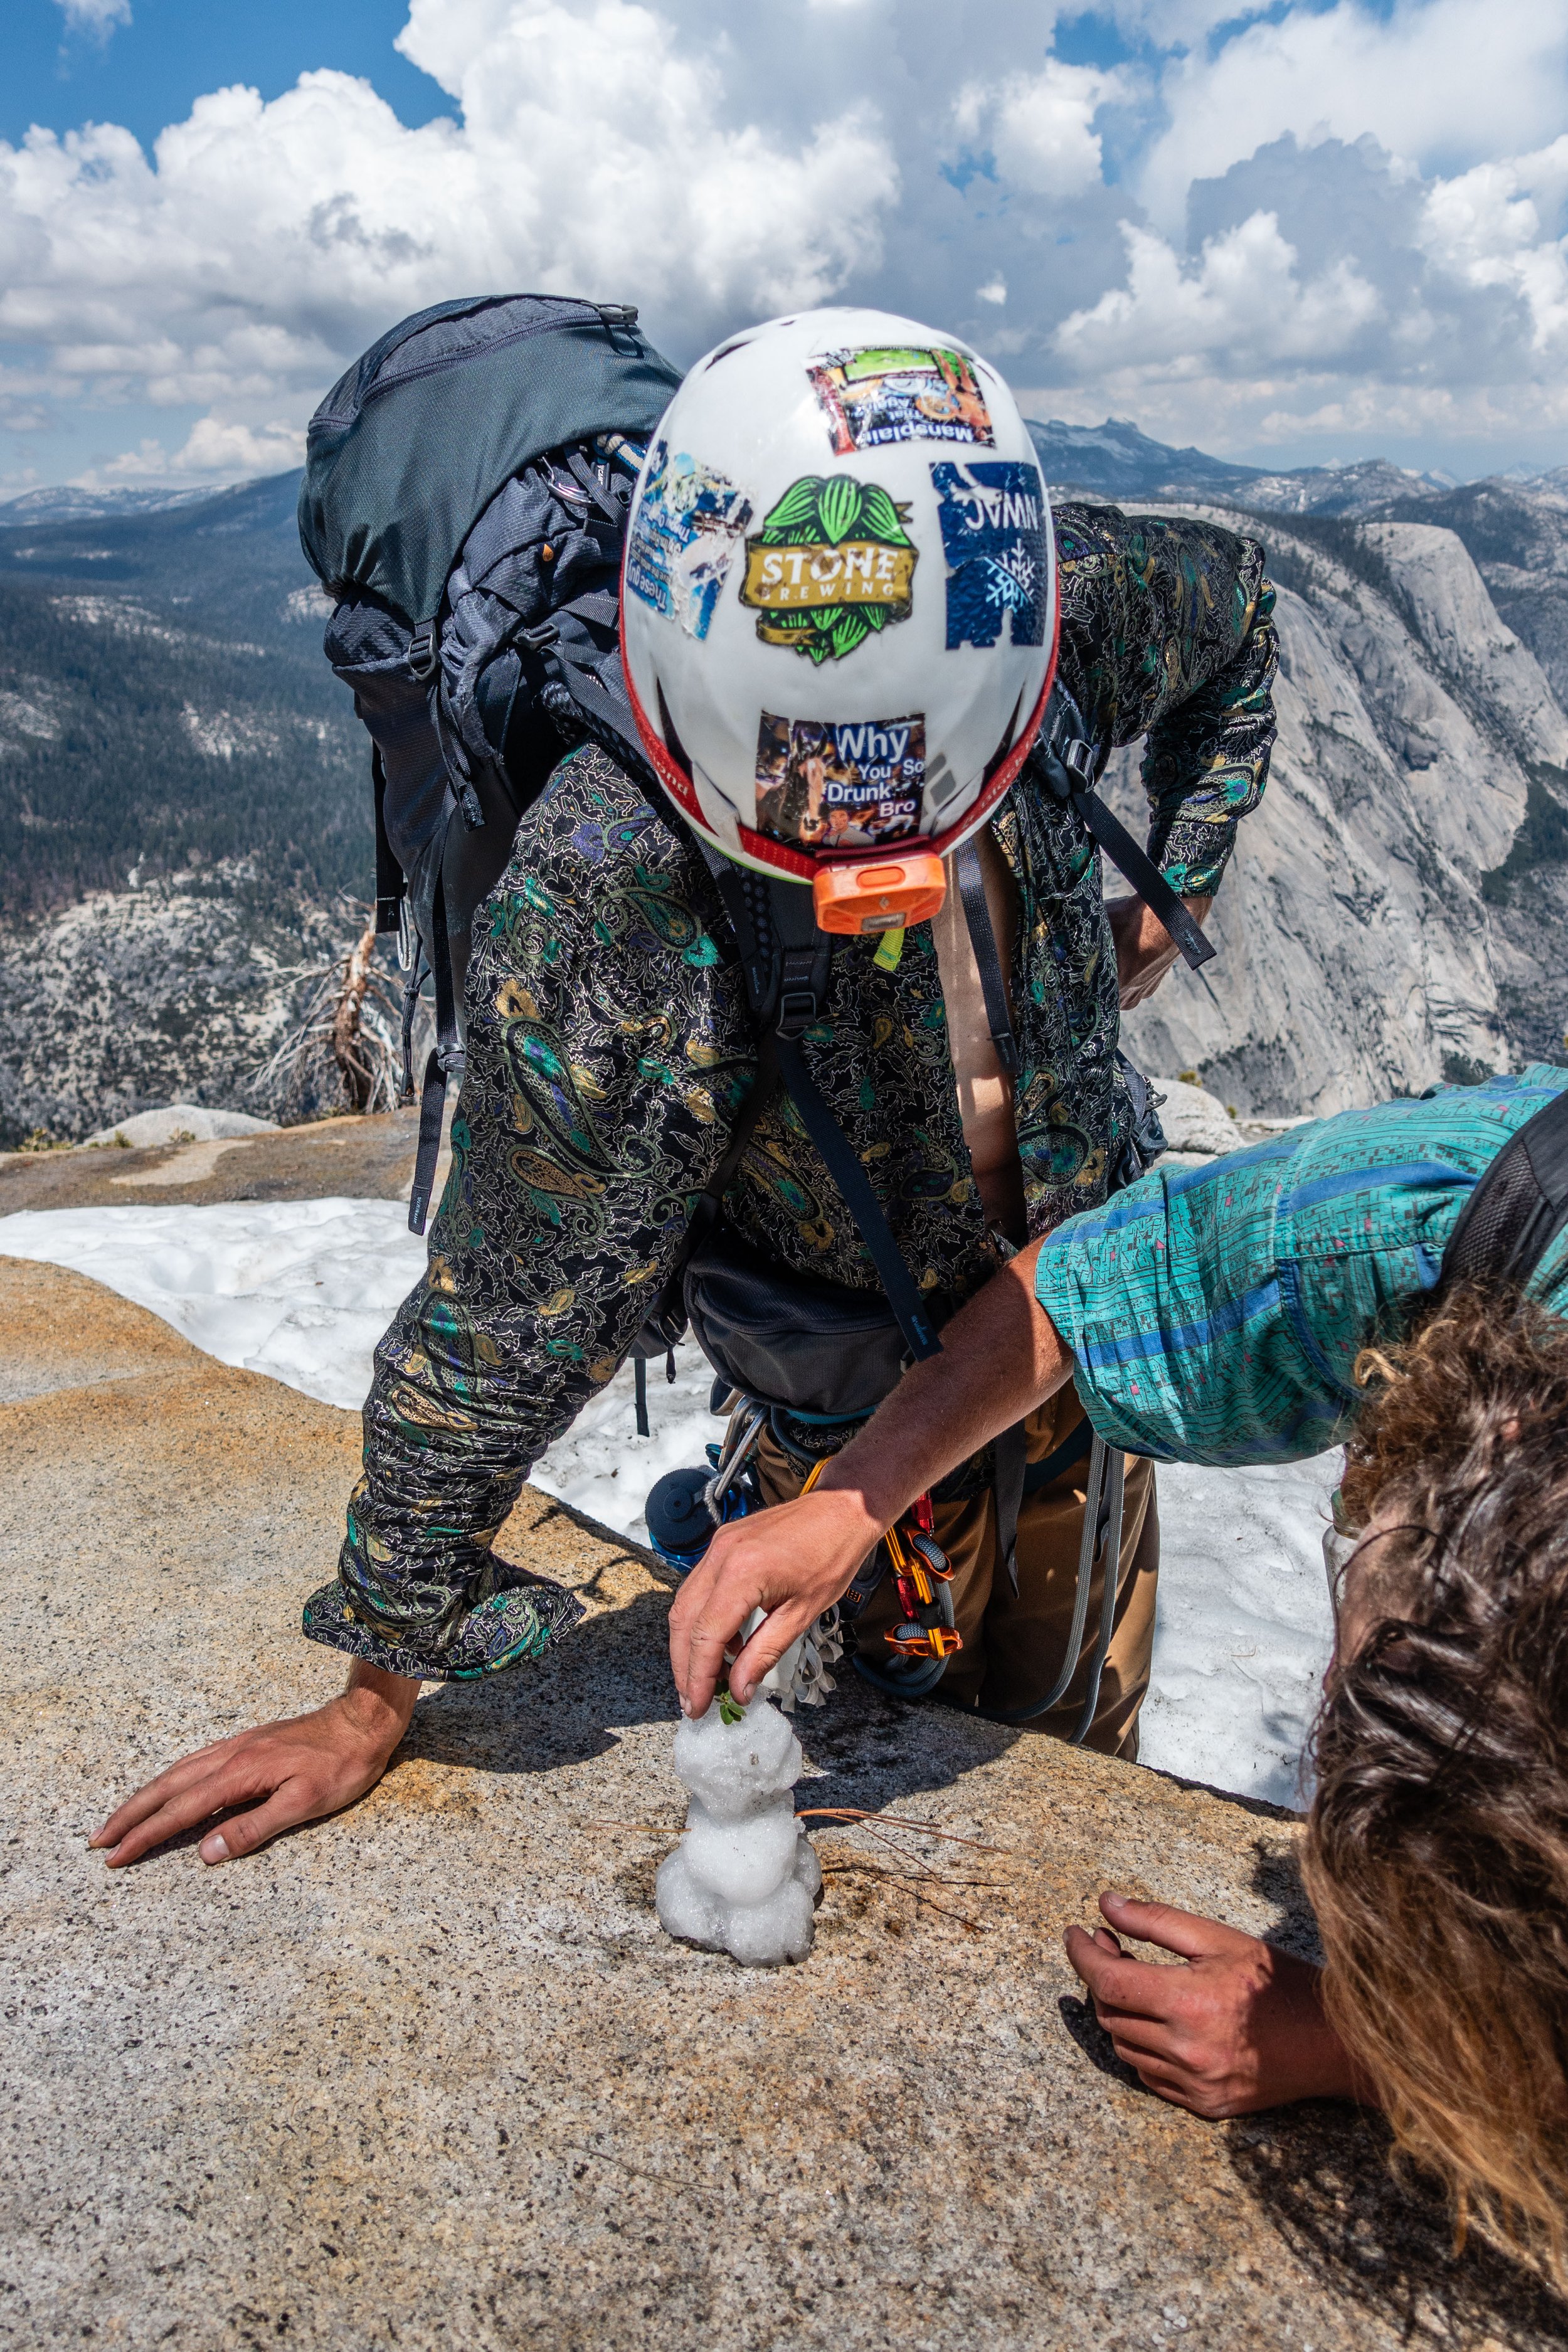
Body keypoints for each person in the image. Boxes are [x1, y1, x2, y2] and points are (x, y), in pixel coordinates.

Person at [91, 304, 1276, 1870]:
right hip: (842, 1398)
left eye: (921, 788)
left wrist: (1173, 887)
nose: (871, 851)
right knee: (913, 1785)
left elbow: (1234, 621)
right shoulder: (611, 874)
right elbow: (514, 1299)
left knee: (1074, 1728)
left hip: (1088, 1330)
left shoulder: (1052, 606)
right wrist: (377, 1685)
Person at [666, 1066, 1568, 2284]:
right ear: (1486, 1445)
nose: (1326, 1704)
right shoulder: (1432, 1219)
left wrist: (1370, 2044)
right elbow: (1083, 1293)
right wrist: (854, 1498)